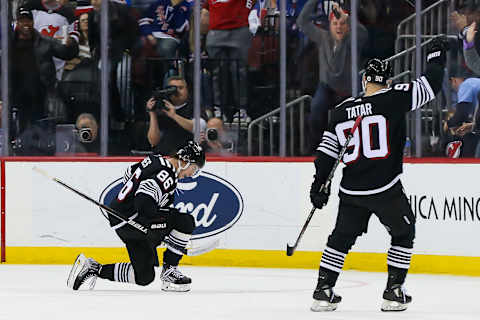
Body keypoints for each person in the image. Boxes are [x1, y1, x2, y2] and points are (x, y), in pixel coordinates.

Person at [308, 37, 448, 312]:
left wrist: (319, 185)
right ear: (387, 80)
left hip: (352, 190)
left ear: (364, 82)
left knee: (340, 238)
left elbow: (326, 153)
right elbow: (432, 84)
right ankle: (394, 291)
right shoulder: (395, 97)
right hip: (385, 187)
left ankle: (323, 291)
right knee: (404, 232)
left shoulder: (340, 111)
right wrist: (436, 56)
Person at [67, 140, 205, 291]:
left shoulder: (154, 160)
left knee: (144, 276)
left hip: (122, 219)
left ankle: (93, 268)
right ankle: (170, 271)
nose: (192, 174)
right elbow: (143, 201)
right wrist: (153, 224)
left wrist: (138, 211)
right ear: (185, 161)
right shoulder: (167, 174)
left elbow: (129, 173)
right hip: (133, 219)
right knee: (185, 221)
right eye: (195, 169)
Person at [297, 0, 368, 150]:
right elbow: (302, 21)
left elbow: (363, 33)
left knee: (356, 114)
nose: (339, 27)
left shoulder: (353, 40)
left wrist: (345, 17)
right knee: (316, 108)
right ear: (329, 25)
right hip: (327, 86)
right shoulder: (322, 37)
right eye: (335, 23)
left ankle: (355, 147)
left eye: (342, 24)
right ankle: (316, 147)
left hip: (349, 87)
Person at [147, 75, 206, 155]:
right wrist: (152, 113)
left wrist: (174, 115)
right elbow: (153, 141)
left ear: (187, 90)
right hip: (164, 156)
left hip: (188, 156)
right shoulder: (161, 107)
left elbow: (199, 127)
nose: (177, 91)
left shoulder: (194, 106)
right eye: (173, 88)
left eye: (180, 88)